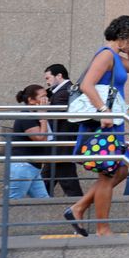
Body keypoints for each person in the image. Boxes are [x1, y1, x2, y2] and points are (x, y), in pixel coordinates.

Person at [65, 15, 129, 237]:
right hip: (104, 122)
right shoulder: (106, 55)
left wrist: (127, 49)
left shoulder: (116, 56)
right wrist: (102, 110)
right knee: (109, 174)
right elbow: (87, 84)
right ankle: (102, 228)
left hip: (112, 123)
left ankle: (78, 208)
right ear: (123, 35)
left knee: (120, 170)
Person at [42, 64, 84, 197]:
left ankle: (80, 209)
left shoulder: (64, 92)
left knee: (69, 184)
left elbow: (54, 118)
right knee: (45, 181)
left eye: (48, 78)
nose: (47, 81)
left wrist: (43, 110)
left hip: (61, 145)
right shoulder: (67, 90)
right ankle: (34, 205)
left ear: (59, 76)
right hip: (59, 146)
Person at [9, 85, 51, 199]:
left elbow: (45, 138)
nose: (46, 100)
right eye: (43, 97)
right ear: (31, 100)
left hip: (33, 167)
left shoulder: (34, 115)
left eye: (46, 97)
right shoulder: (26, 116)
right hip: (23, 166)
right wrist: (44, 117)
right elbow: (40, 139)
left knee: (44, 201)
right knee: (12, 202)